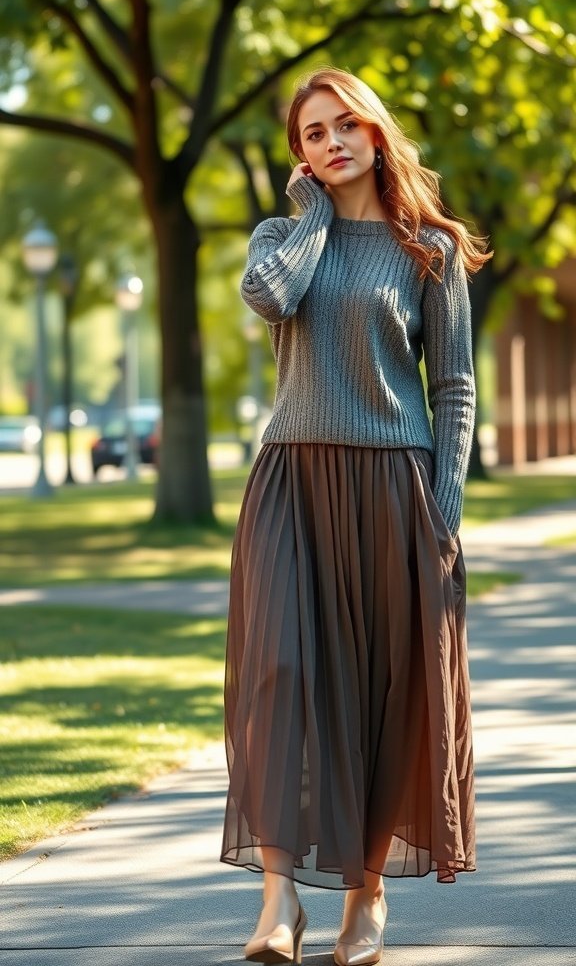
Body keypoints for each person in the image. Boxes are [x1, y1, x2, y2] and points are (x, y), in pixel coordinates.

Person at [220, 66, 492, 966]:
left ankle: (365, 899)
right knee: (279, 677)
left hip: (394, 489)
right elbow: (270, 298)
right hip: (292, 482)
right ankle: (278, 900)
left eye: (345, 125)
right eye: (313, 133)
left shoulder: (430, 249)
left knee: (382, 692)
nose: (332, 141)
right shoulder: (281, 238)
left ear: (376, 133)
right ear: (299, 155)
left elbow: (454, 386)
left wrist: (442, 511)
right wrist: (312, 217)